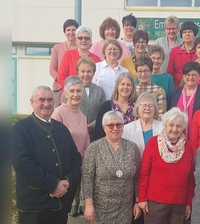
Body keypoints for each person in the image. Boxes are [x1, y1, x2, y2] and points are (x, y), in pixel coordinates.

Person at [12, 86, 81, 224]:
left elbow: (76, 157)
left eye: (50, 100)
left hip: (61, 204)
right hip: (34, 205)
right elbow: (23, 164)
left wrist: (68, 181)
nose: (46, 103)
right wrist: (53, 185)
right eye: (41, 100)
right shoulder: (20, 129)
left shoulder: (61, 128)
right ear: (32, 102)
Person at [82, 111, 141, 224]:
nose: (115, 128)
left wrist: (137, 202)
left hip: (125, 207)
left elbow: (137, 177)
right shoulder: (94, 148)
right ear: (104, 128)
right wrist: (88, 205)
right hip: (101, 206)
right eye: (110, 125)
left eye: (119, 125)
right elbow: (87, 179)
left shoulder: (132, 148)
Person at [138, 107, 194, 224]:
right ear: (165, 125)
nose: (174, 129)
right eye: (171, 125)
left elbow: (190, 178)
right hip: (155, 203)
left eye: (178, 126)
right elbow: (144, 173)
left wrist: (188, 203)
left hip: (179, 204)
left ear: (183, 127)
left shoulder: (188, 147)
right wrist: (142, 198)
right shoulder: (153, 143)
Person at [51, 76, 90, 216]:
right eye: (72, 91)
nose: (75, 94)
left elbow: (86, 143)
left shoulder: (82, 116)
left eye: (79, 91)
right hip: (62, 169)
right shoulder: (58, 113)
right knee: (60, 210)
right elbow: (52, 142)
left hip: (77, 167)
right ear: (65, 93)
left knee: (68, 209)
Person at [62, 57, 106, 140]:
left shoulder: (99, 91)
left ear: (94, 73)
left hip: (94, 134)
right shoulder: (68, 91)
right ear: (78, 73)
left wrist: (91, 126)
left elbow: (103, 113)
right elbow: (64, 111)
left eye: (89, 71)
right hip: (73, 134)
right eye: (82, 71)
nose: (86, 75)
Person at [169, 61, 200, 139]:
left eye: (194, 75)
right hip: (177, 135)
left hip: (197, 135)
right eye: (188, 75)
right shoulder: (175, 93)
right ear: (183, 77)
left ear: (199, 76)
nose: (190, 77)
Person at [94, 72, 137, 140]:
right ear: (117, 86)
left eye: (128, 85)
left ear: (132, 88)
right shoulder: (106, 106)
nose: (125, 87)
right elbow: (99, 131)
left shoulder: (137, 107)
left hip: (133, 146)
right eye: (122, 84)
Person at [122, 92, 164, 157]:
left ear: (155, 109)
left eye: (150, 106)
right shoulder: (127, 129)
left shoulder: (163, 127)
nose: (147, 108)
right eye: (144, 105)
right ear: (137, 108)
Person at [49, 19, 79, 107]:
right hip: (59, 88)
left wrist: (73, 85)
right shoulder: (57, 48)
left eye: (73, 30)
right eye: (68, 30)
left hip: (76, 89)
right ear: (64, 32)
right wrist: (64, 82)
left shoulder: (80, 48)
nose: (71, 32)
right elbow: (52, 69)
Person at [167, 21, 198, 88]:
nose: (187, 34)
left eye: (190, 32)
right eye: (184, 32)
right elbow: (170, 73)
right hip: (178, 88)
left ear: (194, 35)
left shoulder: (199, 51)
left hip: (197, 87)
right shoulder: (174, 51)